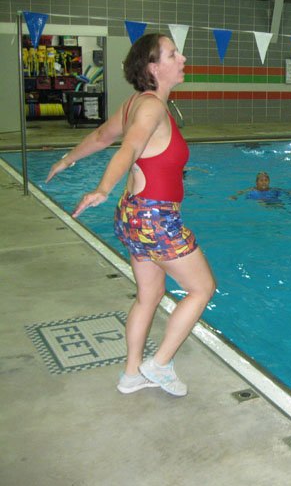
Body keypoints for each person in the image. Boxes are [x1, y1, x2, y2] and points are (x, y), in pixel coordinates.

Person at [45, 34, 216, 397]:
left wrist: (68, 159)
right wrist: (102, 188)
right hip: (155, 217)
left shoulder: (135, 103)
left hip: (132, 216)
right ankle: (160, 364)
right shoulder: (151, 107)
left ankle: (131, 374)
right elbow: (129, 146)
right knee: (202, 288)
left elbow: (101, 136)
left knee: (148, 295)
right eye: (173, 53)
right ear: (153, 67)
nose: (182, 57)